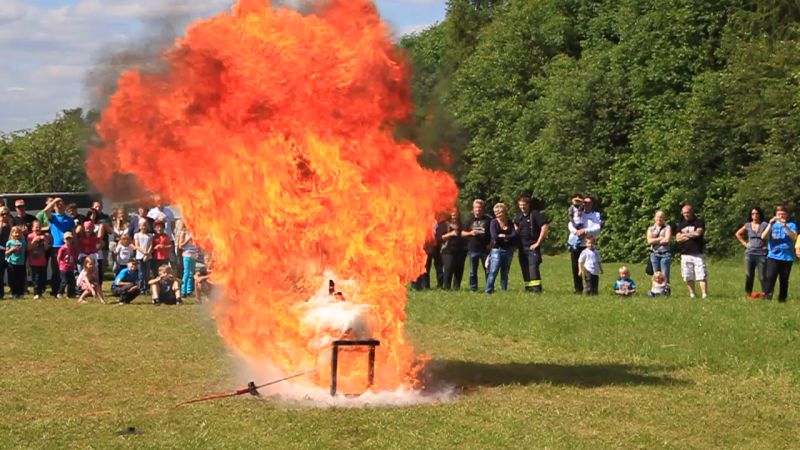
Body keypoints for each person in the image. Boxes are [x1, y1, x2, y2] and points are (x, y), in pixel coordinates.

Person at [761, 205, 797, 302]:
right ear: (775, 215)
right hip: (773, 256)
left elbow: (794, 237)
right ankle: (767, 297)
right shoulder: (772, 225)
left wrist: (785, 226)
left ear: (787, 215)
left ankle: (782, 299)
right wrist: (770, 224)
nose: (781, 216)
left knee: (784, 279)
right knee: (770, 277)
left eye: (783, 214)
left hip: (787, 257)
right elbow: (763, 236)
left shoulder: (791, 225)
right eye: (779, 214)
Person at [514, 195, 549, 293]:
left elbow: (545, 227)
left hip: (532, 247)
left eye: (524, 205)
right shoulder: (519, 216)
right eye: (520, 205)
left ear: (528, 205)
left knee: (533, 268)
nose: (522, 207)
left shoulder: (535, 214)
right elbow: (515, 225)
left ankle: (537, 290)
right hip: (522, 247)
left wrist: (538, 243)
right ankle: (528, 289)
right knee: (524, 269)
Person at [42, 197, 77, 297]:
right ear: (54, 207)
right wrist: (54, 201)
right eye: (57, 205)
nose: (59, 206)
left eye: (61, 204)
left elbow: (74, 233)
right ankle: (55, 291)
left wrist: (75, 245)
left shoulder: (69, 219)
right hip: (56, 246)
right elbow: (45, 211)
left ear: (65, 207)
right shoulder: (53, 217)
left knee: (68, 269)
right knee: (56, 269)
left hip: (67, 246)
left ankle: (70, 291)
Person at [567, 196, 602, 294]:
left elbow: (597, 228)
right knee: (576, 267)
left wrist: (585, 231)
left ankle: (590, 289)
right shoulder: (577, 212)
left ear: (592, 204)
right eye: (585, 202)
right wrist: (577, 232)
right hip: (576, 244)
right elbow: (570, 224)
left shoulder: (595, 215)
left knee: (590, 267)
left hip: (588, 246)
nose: (586, 204)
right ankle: (578, 289)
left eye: (589, 203)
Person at [734, 207, 769, 298]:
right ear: (751, 215)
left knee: (762, 276)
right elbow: (738, 234)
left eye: (757, 213)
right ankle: (749, 293)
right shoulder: (748, 225)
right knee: (749, 274)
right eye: (753, 214)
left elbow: (772, 235)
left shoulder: (765, 224)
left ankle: (766, 294)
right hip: (750, 254)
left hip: (762, 253)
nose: (755, 215)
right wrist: (745, 243)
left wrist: (768, 246)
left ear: (760, 214)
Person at [676, 204, 708, 299]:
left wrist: (684, 235)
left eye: (688, 212)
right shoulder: (681, 224)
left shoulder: (699, 222)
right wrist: (690, 235)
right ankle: (692, 294)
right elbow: (678, 239)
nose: (686, 214)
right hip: (685, 254)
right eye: (684, 213)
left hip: (698, 253)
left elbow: (698, 233)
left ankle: (704, 294)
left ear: (692, 212)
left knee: (701, 274)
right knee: (688, 275)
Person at [485, 203, 517, 294]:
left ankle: (504, 291)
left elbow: (514, 235)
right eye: (496, 212)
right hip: (497, 250)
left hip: (509, 250)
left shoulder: (510, 222)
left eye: (499, 212)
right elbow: (494, 236)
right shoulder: (494, 222)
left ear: (504, 212)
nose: (497, 214)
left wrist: (505, 236)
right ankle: (488, 290)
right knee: (493, 271)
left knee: (505, 272)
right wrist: (507, 237)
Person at [462, 199, 493, 292]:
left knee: (488, 270)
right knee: (472, 271)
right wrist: (470, 233)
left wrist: (491, 244)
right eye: (476, 207)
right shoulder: (469, 220)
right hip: (473, 249)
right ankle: (473, 288)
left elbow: (493, 234)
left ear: (483, 209)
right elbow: (462, 233)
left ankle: (489, 288)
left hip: (485, 249)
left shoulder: (489, 220)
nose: (478, 209)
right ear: (473, 209)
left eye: (480, 207)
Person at [440, 209, 465, 290]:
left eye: (456, 213)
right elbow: (440, 237)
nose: (454, 214)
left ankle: (456, 287)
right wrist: (450, 234)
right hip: (447, 250)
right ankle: (446, 287)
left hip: (460, 250)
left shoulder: (462, 225)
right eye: (452, 213)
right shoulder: (444, 224)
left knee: (459, 268)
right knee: (449, 267)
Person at [646, 211, 672, 283]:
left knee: (664, 276)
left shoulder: (667, 227)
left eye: (661, 217)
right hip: (654, 254)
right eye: (658, 217)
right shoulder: (651, 228)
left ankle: (665, 288)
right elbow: (649, 241)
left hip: (665, 254)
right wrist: (660, 238)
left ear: (664, 218)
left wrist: (654, 240)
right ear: (655, 218)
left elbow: (667, 240)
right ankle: (656, 288)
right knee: (656, 276)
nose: (659, 219)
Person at [27, 220, 50, 300]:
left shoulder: (44, 236)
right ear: (32, 228)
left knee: (42, 277)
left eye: (39, 227)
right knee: (36, 277)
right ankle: (36, 293)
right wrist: (34, 240)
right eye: (36, 227)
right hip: (33, 261)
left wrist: (45, 241)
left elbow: (46, 249)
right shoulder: (30, 236)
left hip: (42, 261)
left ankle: (40, 292)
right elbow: (29, 248)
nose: (38, 228)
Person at [4, 226, 27, 298]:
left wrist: (19, 249)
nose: (17, 234)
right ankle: (14, 292)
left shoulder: (23, 242)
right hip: (11, 263)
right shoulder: (9, 242)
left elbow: (25, 251)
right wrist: (12, 249)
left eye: (19, 233)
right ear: (12, 233)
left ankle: (20, 293)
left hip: (21, 263)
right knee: (12, 279)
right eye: (16, 232)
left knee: (20, 278)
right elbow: (6, 253)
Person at [56, 232, 79, 298]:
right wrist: (60, 265)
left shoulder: (73, 248)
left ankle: (70, 293)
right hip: (64, 268)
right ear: (64, 240)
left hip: (70, 267)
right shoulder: (62, 248)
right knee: (64, 281)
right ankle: (60, 293)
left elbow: (74, 257)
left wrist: (75, 262)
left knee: (72, 281)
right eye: (67, 239)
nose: (68, 240)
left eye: (70, 239)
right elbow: (58, 257)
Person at [178, 225, 199, 296]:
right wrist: (189, 239)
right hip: (187, 254)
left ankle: (189, 290)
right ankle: (183, 290)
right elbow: (180, 246)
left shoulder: (196, 232)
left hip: (194, 254)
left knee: (191, 273)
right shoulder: (184, 232)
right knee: (186, 272)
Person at [133, 221, 153, 291]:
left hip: (148, 256)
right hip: (140, 256)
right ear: (139, 227)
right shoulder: (137, 235)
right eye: (142, 225)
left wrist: (147, 253)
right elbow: (137, 245)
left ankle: (147, 287)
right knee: (141, 273)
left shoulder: (150, 235)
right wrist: (144, 252)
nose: (143, 227)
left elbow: (151, 245)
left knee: (147, 273)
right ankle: (141, 288)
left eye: (145, 225)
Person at [0, 207, 12, 299]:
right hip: (1, 251)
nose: (5, 216)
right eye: (2, 214)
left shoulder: (11, 226)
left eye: (7, 214)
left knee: (12, 272)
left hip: (11, 251)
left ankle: (16, 291)